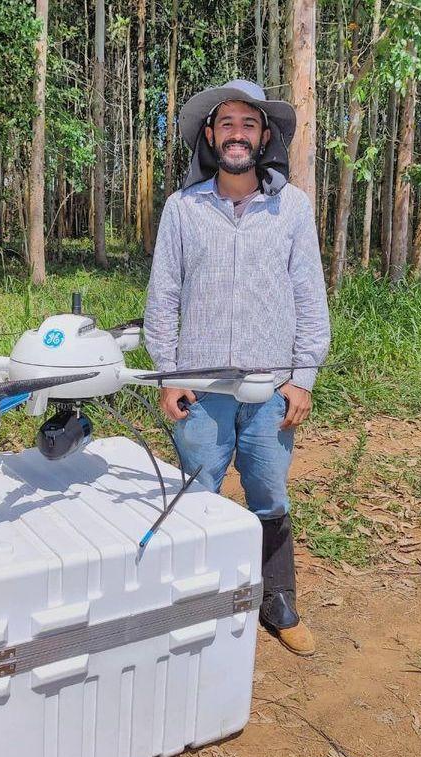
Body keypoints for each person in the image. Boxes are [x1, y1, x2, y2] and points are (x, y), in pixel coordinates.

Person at [144, 79, 330, 656]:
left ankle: (278, 601)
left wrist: (303, 377)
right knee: (197, 496)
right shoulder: (183, 208)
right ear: (210, 135)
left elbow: (309, 296)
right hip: (199, 389)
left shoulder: (291, 208)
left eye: (248, 125)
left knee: (269, 495)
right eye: (226, 124)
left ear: (264, 136)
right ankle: (199, 607)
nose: (237, 134)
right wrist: (168, 373)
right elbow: (163, 297)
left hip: (270, 387)